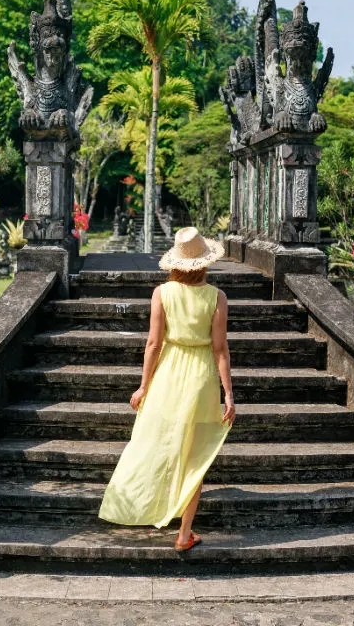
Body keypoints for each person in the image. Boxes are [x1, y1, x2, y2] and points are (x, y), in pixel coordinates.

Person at [98, 227, 236, 551]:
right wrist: (228, 394)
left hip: (169, 374)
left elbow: (153, 343)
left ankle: (143, 505)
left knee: (157, 443)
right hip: (202, 376)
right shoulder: (217, 297)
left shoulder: (162, 293)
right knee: (195, 457)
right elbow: (220, 350)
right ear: (204, 262)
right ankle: (184, 533)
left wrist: (143, 385)